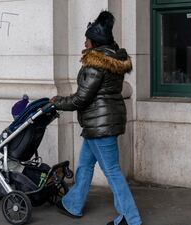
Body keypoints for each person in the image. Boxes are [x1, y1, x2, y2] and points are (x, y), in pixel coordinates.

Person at [50, 11, 142, 225]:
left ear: (94, 42)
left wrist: (57, 102)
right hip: (101, 122)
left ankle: (131, 218)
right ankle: (73, 204)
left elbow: (81, 98)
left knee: (112, 171)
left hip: (100, 125)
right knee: (84, 165)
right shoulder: (113, 58)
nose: (84, 42)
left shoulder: (95, 64)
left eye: (87, 39)